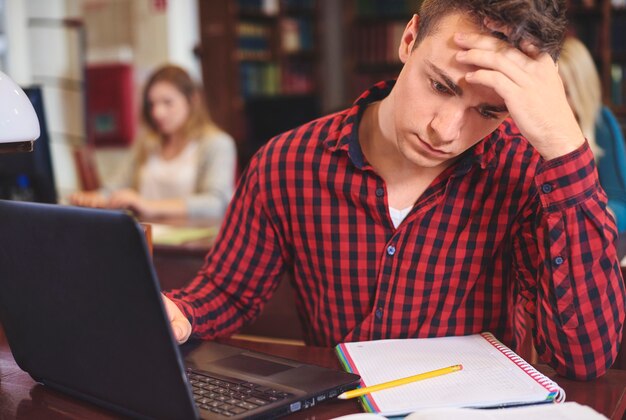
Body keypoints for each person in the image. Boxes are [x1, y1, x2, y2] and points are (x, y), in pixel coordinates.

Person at [163, 0, 626, 381]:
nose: (445, 131)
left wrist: (566, 148)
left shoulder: (523, 173)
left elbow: (582, 359)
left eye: (488, 113)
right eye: (439, 86)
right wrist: (181, 313)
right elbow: (229, 291)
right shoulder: (287, 163)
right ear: (408, 39)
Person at [69, 64, 237, 219]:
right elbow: (115, 188)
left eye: (167, 102)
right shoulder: (147, 143)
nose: (158, 113)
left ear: (192, 100)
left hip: (192, 246)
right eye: (152, 104)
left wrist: (148, 205)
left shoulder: (217, 143)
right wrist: (94, 198)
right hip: (146, 240)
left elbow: (216, 204)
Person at [558, 36, 626, 233]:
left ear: (582, 92)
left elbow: (622, 202)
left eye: (567, 93)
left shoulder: (600, 123)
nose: (557, 102)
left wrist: (593, 221)